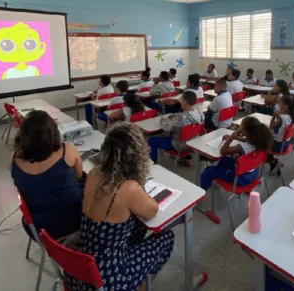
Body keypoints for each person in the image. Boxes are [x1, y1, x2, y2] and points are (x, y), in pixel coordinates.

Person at [65, 123, 174, 291]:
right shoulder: (129, 187)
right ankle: (141, 285)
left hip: (80, 267)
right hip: (108, 277)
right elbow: (152, 211)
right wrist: (140, 181)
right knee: (166, 237)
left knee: (137, 226)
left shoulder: (94, 173)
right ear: (136, 156)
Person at [11, 110, 83, 240]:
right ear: (53, 132)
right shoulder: (67, 151)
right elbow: (78, 177)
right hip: (74, 222)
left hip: (38, 228)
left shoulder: (14, 160)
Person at [200, 116, 272, 190]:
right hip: (252, 175)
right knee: (225, 159)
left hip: (240, 179)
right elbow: (246, 140)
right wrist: (236, 137)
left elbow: (223, 151)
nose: (239, 128)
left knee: (209, 170)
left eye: (241, 126)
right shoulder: (257, 143)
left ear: (246, 131)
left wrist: (231, 138)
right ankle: (219, 176)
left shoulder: (243, 146)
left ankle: (201, 191)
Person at [149, 91, 204, 163]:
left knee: (152, 140)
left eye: (181, 101)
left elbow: (166, 128)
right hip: (193, 142)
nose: (180, 102)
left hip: (180, 146)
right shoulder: (201, 114)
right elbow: (186, 116)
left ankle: (153, 162)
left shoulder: (181, 119)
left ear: (185, 102)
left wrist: (163, 119)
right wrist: (177, 115)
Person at [267, 96, 294, 173]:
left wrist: (274, 116)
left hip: (277, 146)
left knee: (258, 143)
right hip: (286, 144)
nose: (278, 106)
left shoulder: (282, 118)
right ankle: (273, 161)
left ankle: (273, 162)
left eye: (279, 104)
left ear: (285, 107)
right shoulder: (293, 117)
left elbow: (271, 126)